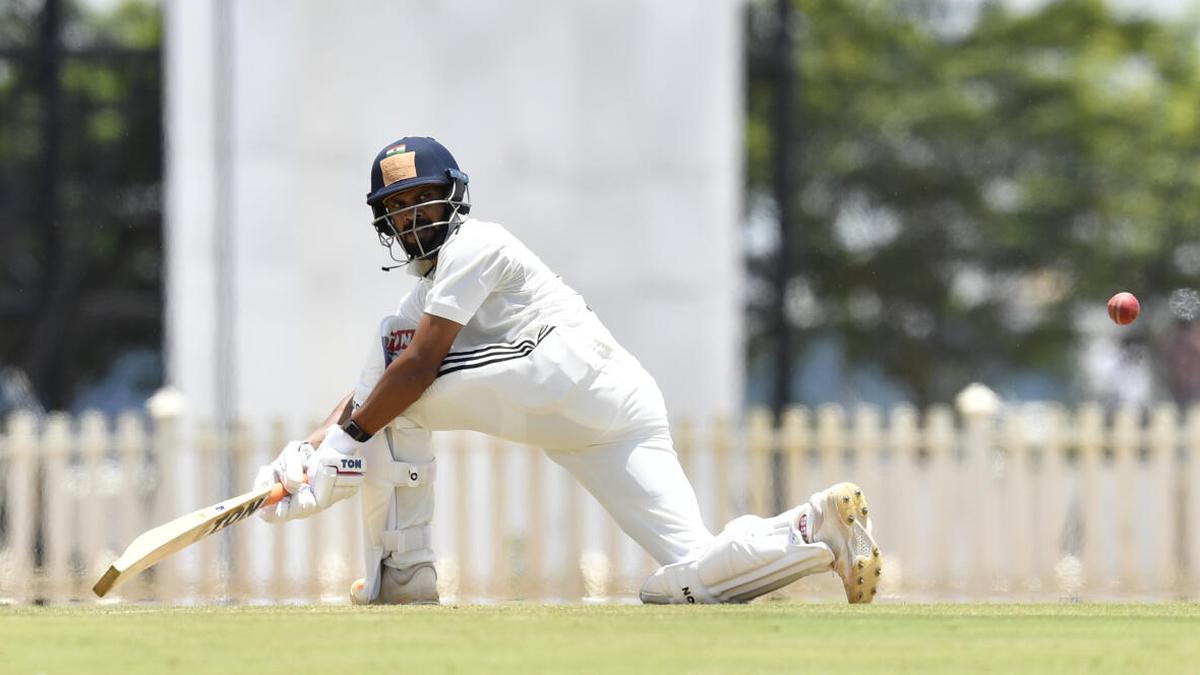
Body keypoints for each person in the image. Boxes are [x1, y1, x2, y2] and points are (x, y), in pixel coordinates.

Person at [253, 136, 883, 605]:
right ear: (384, 221)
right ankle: (814, 528)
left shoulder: (476, 243)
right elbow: (379, 387)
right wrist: (309, 451)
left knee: (395, 376)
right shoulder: (420, 297)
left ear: (455, 196)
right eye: (399, 206)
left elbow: (413, 370)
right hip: (613, 413)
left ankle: (403, 575)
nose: (414, 216)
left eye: (424, 199)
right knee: (685, 581)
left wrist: (347, 445)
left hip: (557, 366)